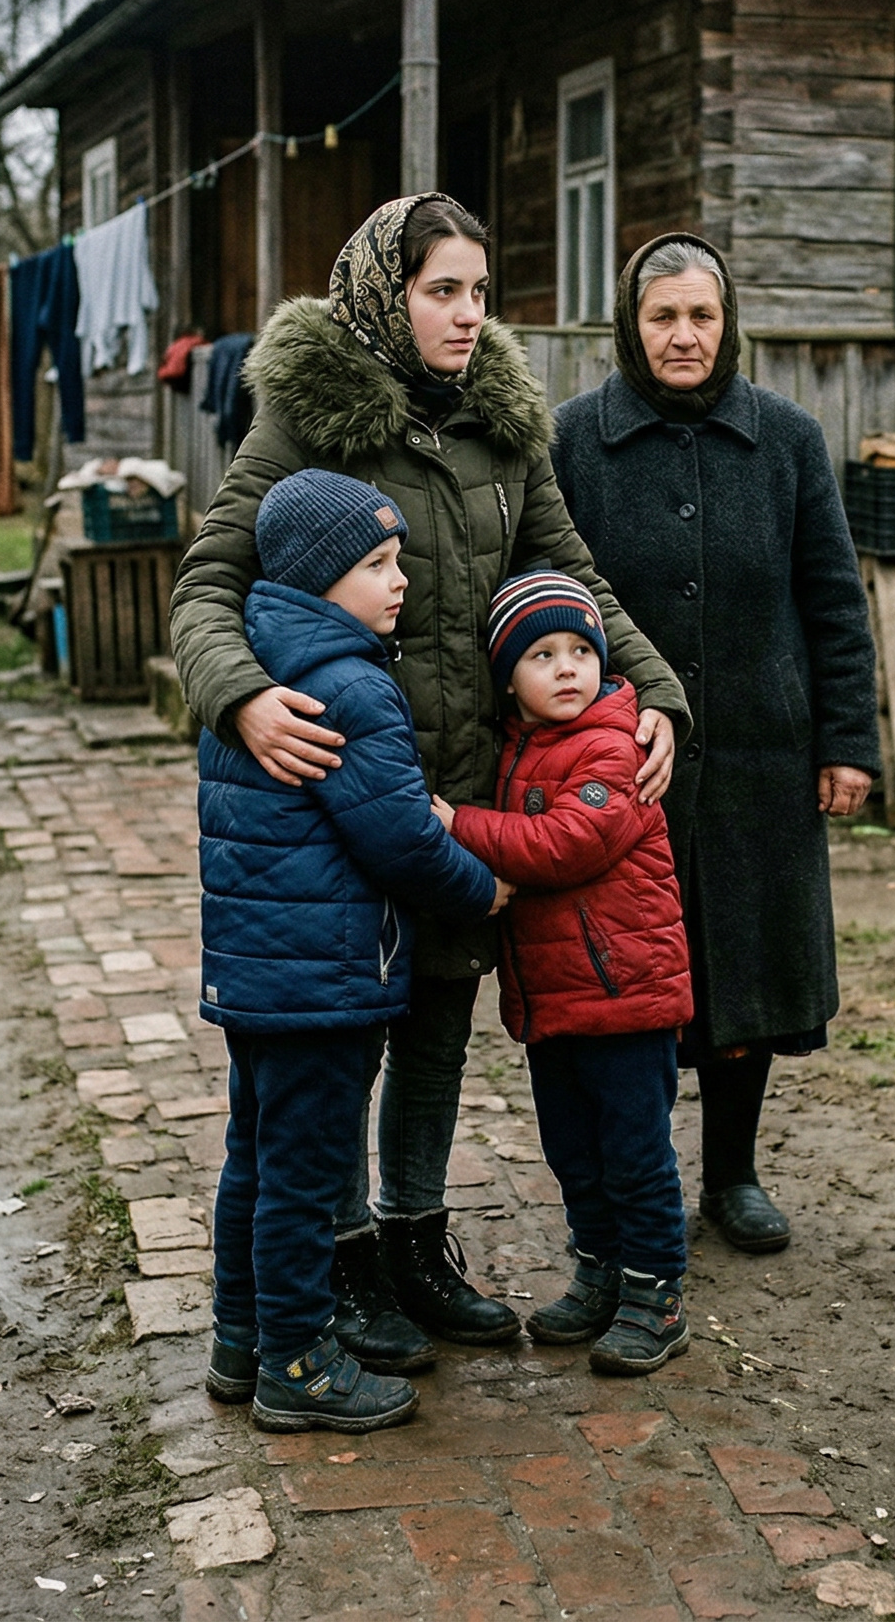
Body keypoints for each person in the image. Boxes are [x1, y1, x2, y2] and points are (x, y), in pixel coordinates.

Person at [170, 195, 689, 1366]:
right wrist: (241, 696)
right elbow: (209, 579)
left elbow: (570, 572)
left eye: (476, 291)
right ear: (381, 296)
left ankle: (412, 1238)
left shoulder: (506, 424)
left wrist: (653, 690)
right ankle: (342, 1263)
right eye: (439, 290)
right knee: (347, 1023)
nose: (465, 314)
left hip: (462, 778)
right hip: (338, 776)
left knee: (440, 1020)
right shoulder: (303, 414)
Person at [550, 235, 880, 1255]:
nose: (683, 335)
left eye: (701, 315)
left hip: (757, 758)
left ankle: (731, 1174)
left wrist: (846, 742)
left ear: (726, 321)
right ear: (629, 326)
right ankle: (633, 1181)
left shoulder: (783, 439)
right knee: (628, 974)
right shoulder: (573, 441)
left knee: (742, 968)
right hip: (620, 763)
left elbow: (832, 599)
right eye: (662, 317)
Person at [195, 470, 507, 1431]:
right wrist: (484, 888)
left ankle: (240, 1338)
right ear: (319, 578)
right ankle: (298, 1362)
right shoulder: (349, 684)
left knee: (256, 1153)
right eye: (377, 564)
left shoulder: (259, 669)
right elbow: (401, 837)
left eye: (399, 558)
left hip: (258, 969)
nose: (400, 579)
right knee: (301, 1170)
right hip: (323, 976)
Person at [440, 569, 696, 1375]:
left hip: (626, 995)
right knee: (572, 1149)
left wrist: (459, 823)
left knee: (634, 1150)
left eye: (581, 650)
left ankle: (656, 1292)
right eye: (542, 654)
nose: (567, 668)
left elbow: (564, 847)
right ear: (506, 675)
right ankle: (600, 1270)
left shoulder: (610, 745)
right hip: (554, 1000)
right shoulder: (517, 746)